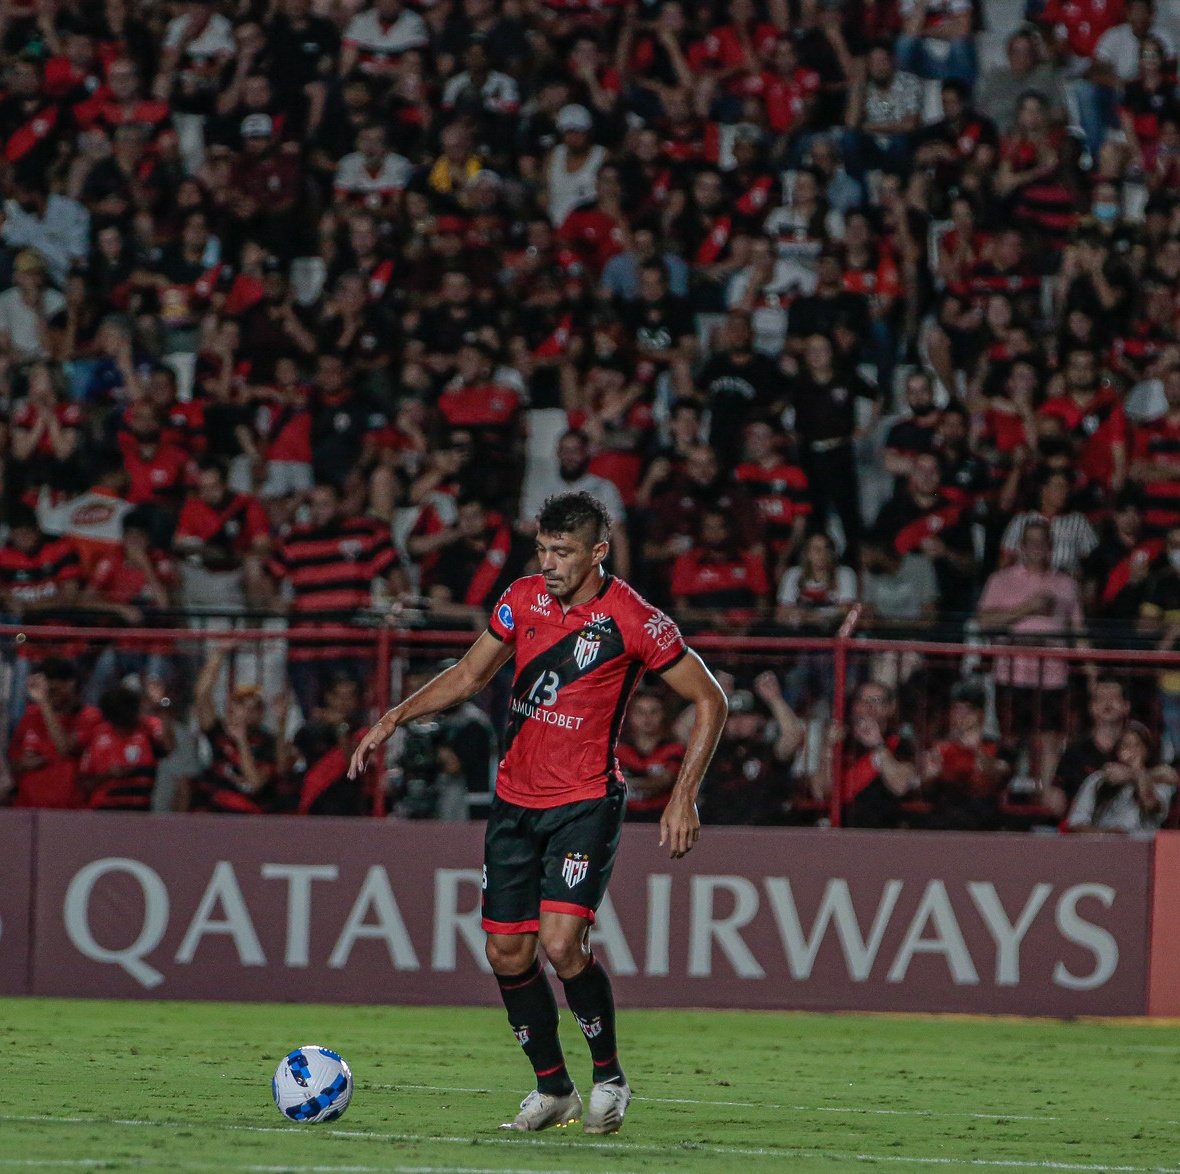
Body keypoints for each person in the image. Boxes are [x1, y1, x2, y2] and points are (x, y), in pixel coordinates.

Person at [349, 491, 727, 1135]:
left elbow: (710, 699)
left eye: (563, 551)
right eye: (543, 549)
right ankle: (553, 1088)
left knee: (560, 944)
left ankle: (608, 1077)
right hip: (514, 804)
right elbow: (470, 674)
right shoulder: (523, 597)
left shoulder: (634, 618)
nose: (548, 563)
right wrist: (394, 716)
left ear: (597, 552)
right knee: (506, 954)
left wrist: (684, 792)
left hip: (584, 800)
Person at [1065, 722, 1176, 834]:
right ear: (1117, 751)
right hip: (1103, 845)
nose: (1131, 751)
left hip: (1144, 846)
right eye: (1125, 745)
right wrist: (1108, 836)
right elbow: (1076, 823)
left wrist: (1135, 774)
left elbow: (1150, 805)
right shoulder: (1098, 780)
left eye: (1137, 745)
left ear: (1147, 751)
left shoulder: (1159, 783)